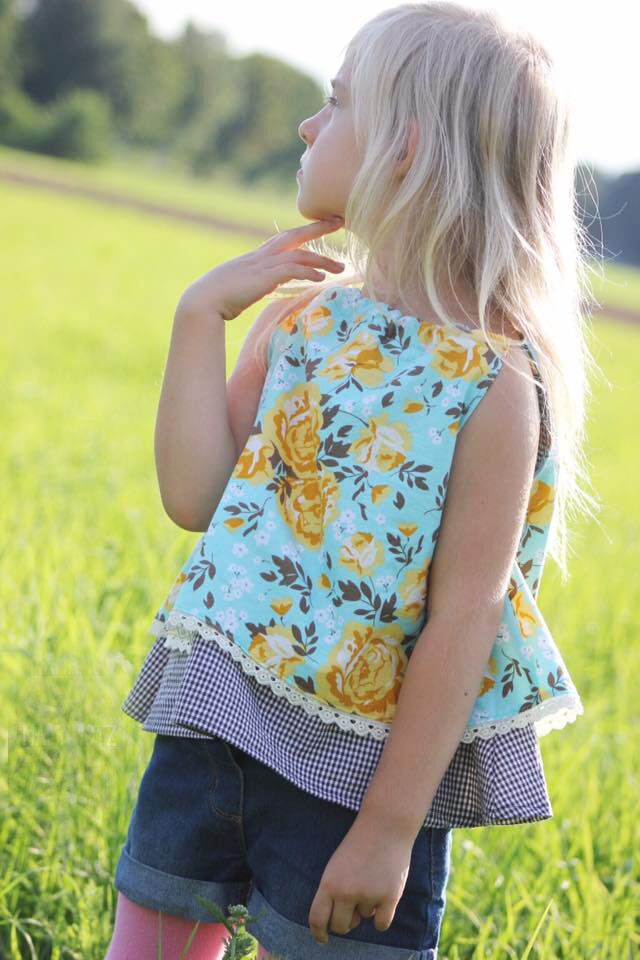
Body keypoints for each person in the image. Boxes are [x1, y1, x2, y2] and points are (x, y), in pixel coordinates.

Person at [105, 3, 599, 958]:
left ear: (404, 149)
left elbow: (466, 618)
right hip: (216, 718)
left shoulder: (491, 388)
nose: (307, 126)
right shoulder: (301, 321)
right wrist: (197, 316)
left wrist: (386, 830)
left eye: (335, 103)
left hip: (362, 778)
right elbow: (195, 497)